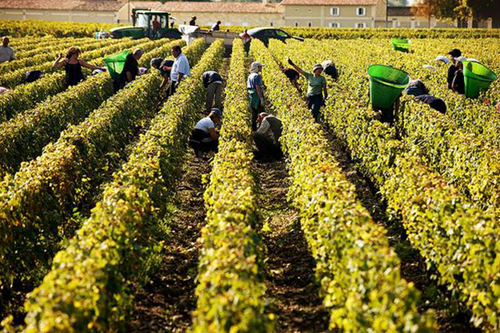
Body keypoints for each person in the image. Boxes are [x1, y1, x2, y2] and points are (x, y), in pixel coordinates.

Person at [247, 62, 265, 131]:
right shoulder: (257, 76)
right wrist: (261, 98)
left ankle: (253, 128)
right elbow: (258, 88)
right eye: (260, 67)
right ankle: (262, 129)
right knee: (262, 113)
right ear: (257, 67)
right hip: (257, 96)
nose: (261, 68)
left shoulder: (250, 76)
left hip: (252, 96)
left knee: (254, 113)